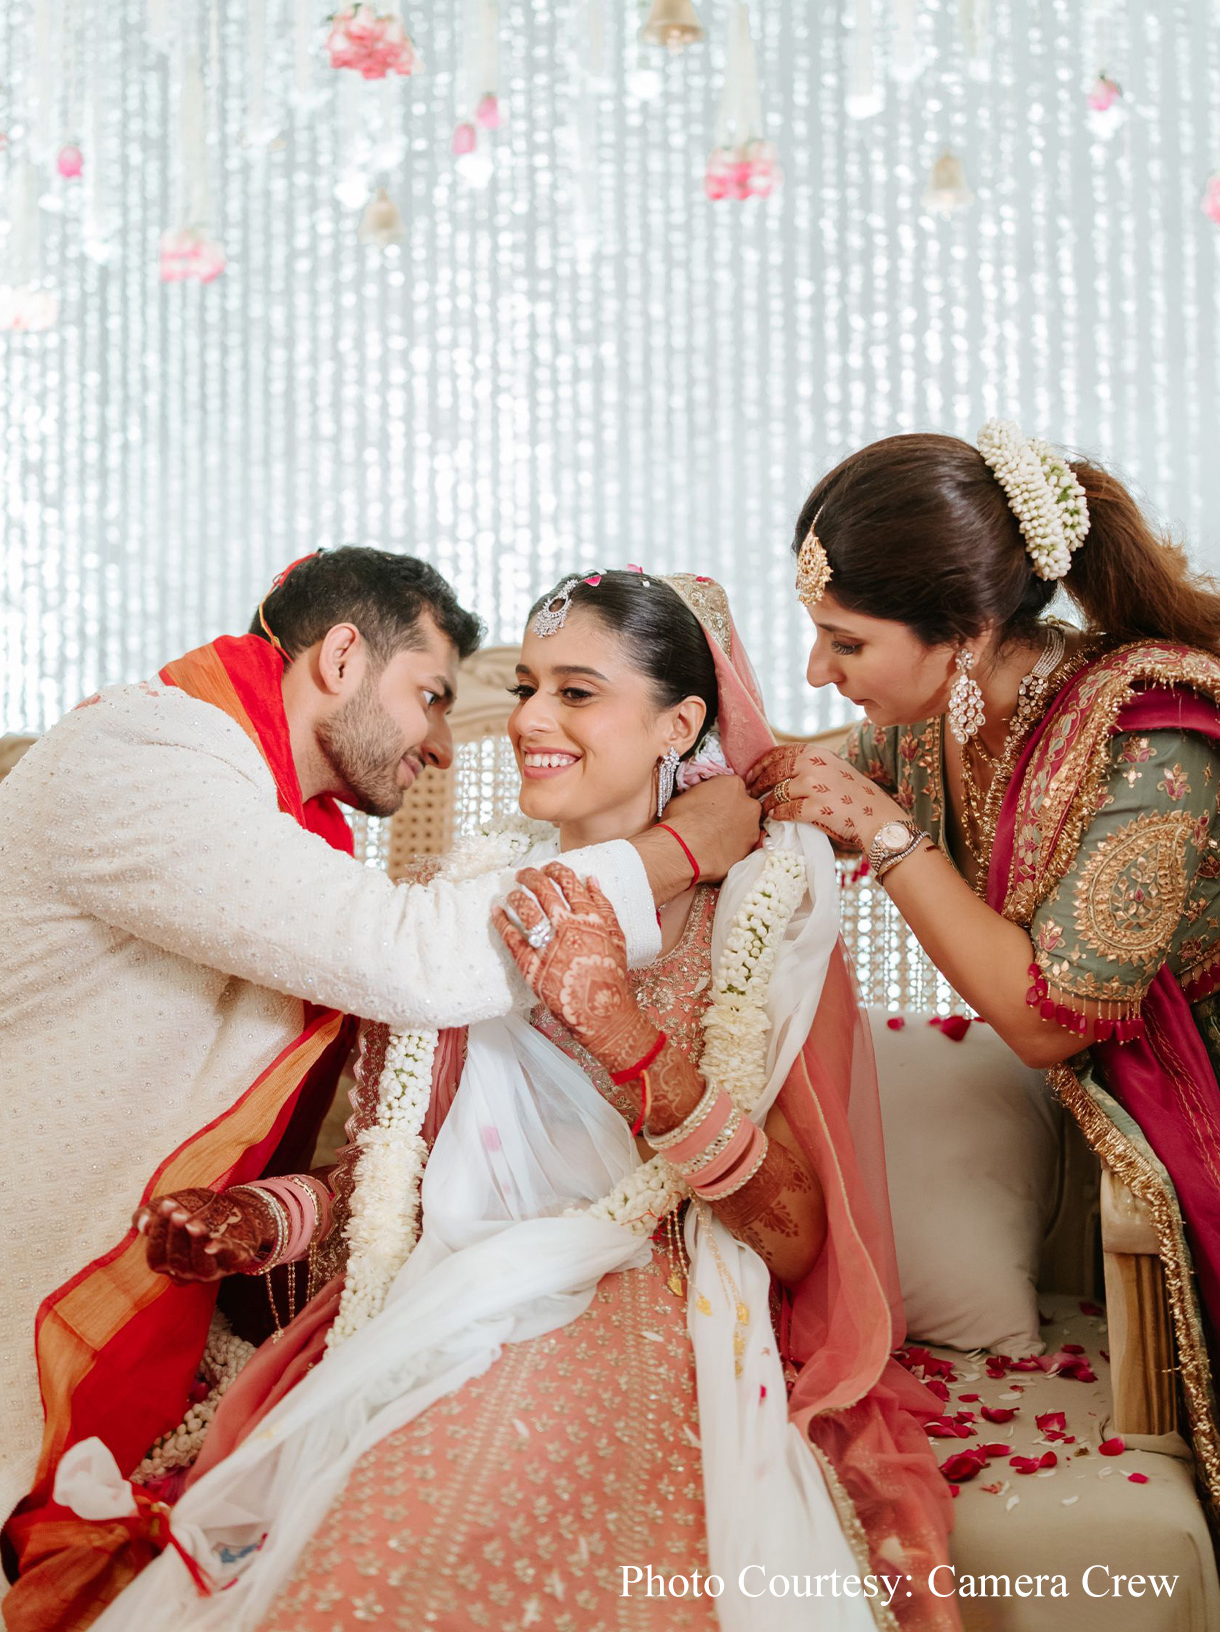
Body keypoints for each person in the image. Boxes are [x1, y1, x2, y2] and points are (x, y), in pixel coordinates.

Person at [66, 570, 958, 1632]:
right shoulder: (468, 908)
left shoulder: (754, 912)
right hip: (443, 1288)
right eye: (528, 687)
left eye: (575, 693)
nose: (528, 718)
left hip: (639, 1298)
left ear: (679, 722)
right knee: (351, 1558)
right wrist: (268, 1216)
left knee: (467, 1522)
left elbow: (801, 1236)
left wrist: (623, 1036)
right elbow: (393, 1173)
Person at [746, 423, 1220, 1522]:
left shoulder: (1152, 739)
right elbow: (777, 777)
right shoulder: (939, 725)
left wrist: (884, 834)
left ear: (959, 633)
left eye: (843, 643)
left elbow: (1049, 1016)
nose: (818, 671)